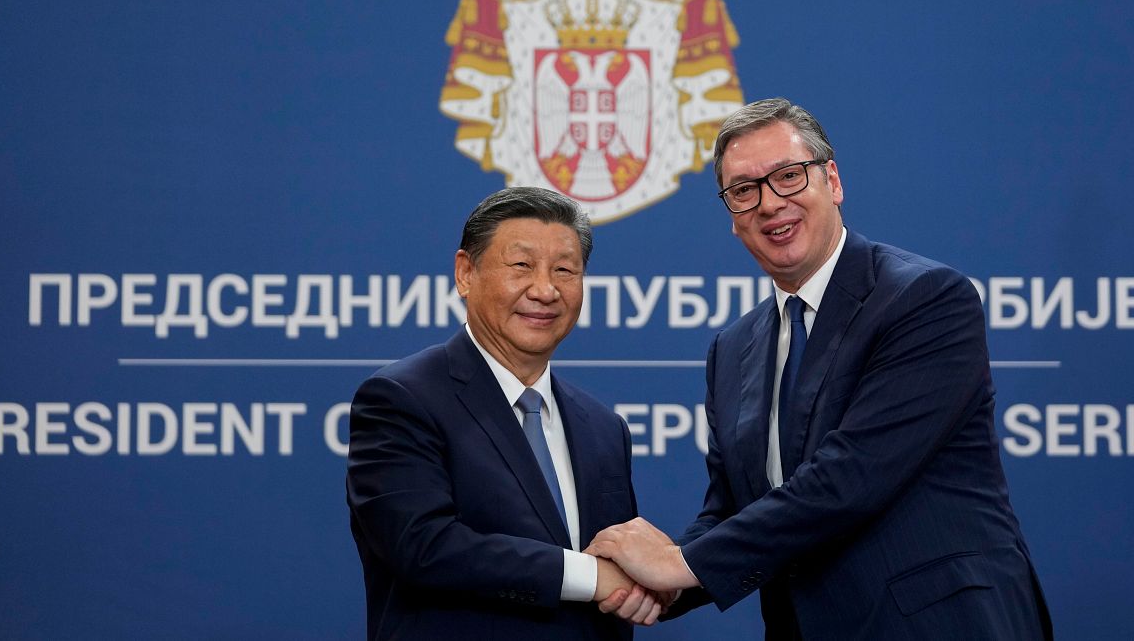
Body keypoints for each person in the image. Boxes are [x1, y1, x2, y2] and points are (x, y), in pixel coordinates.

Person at [588, 99, 1053, 639]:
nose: (769, 203)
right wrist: (666, 586)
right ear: (732, 218)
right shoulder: (732, 349)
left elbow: (848, 478)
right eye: (744, 190)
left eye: (788, 176)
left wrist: (679, 564)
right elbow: (734, 510)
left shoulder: (924, 299)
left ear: (831, 180)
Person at [347, 186, 662, 640]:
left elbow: (621, 578)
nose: (545, 289)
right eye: (521, 266)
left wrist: (657, 577)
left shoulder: (603, 427)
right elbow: (423, 546)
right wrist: (591, 577)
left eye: (565, 270)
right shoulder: (402, 398)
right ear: (465, 273)